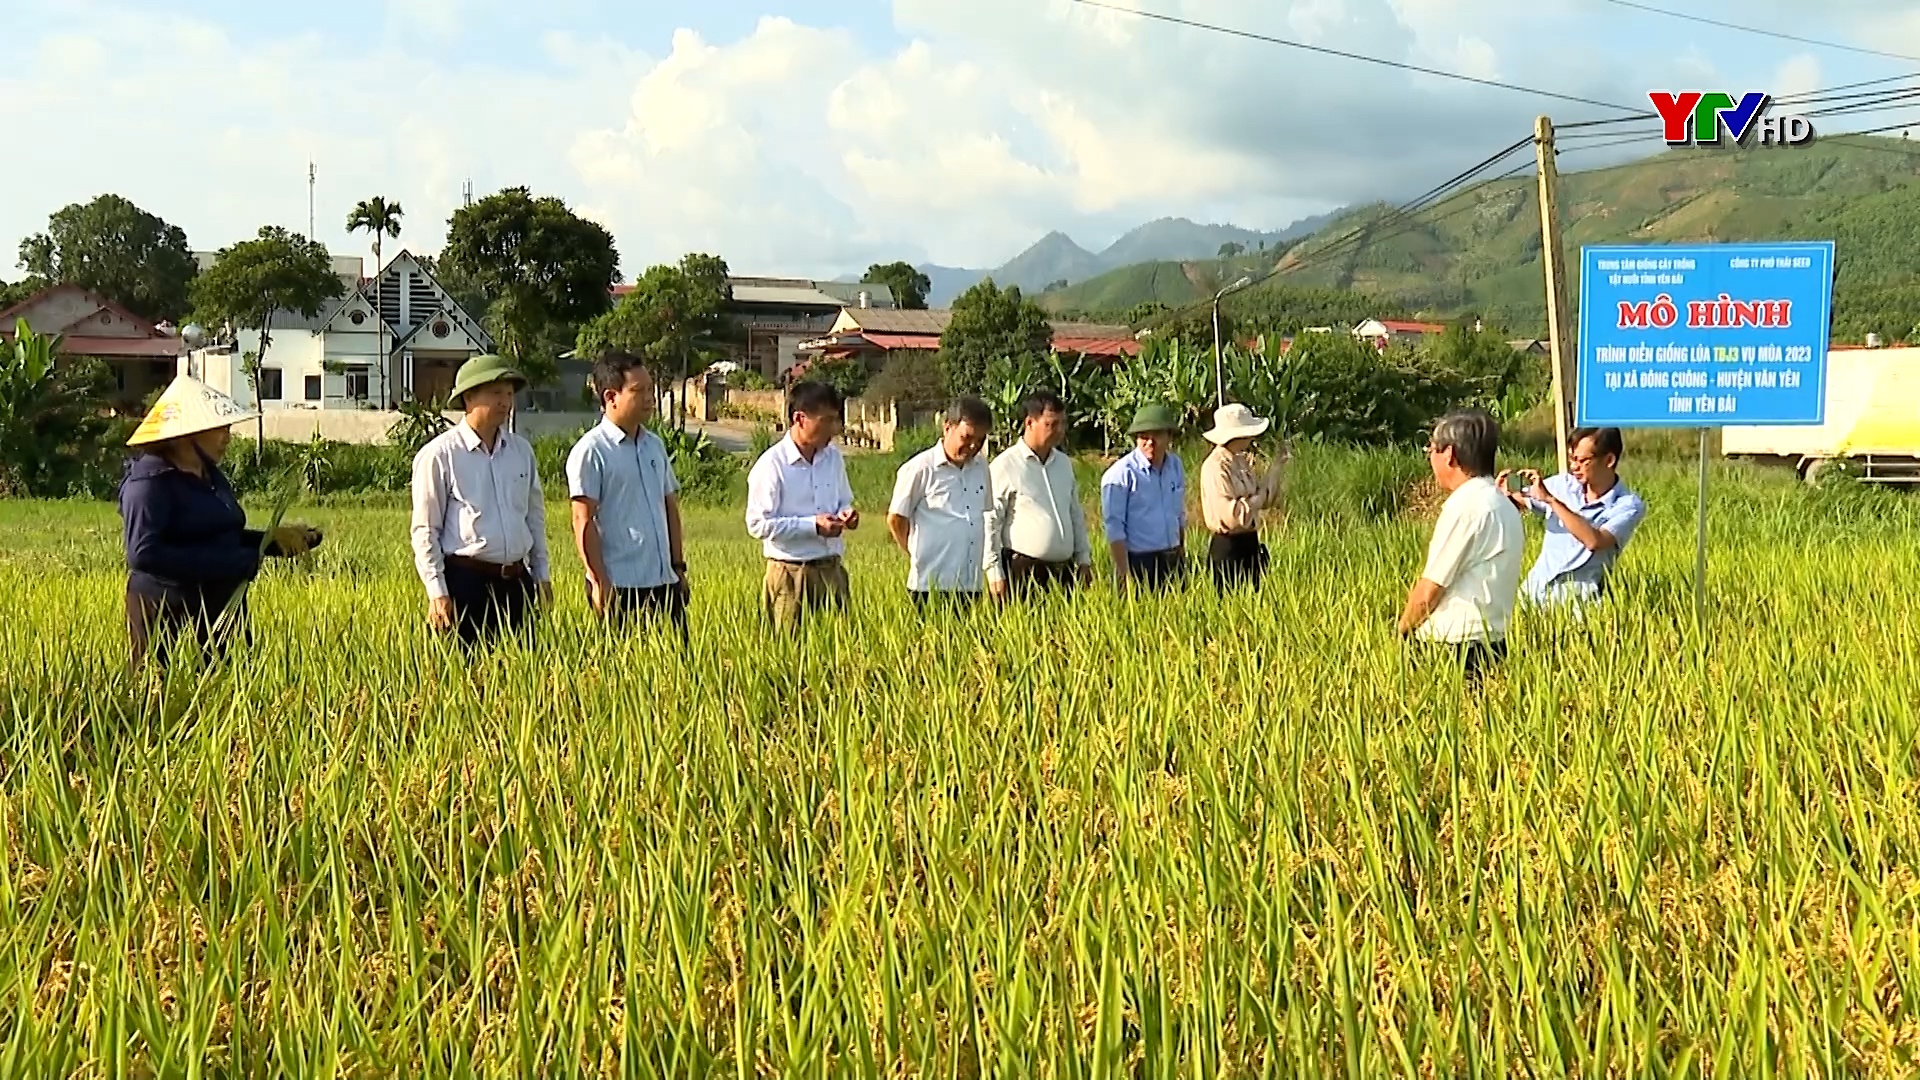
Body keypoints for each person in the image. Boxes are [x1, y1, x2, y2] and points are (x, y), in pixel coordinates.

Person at [119, 374, 321, 672]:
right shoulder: (149, 484)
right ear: (188, 434)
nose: (227, 437)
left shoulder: (211, 476)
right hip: (167, 611)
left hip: (221, 608)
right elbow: (145, 554)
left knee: (230, 689)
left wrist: (271, 542)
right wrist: (235, 562)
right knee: (164, 698)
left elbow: (219, 534)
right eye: (219, 429)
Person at [410, 353, 552, 648]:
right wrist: (437, 592)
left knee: (522, 677)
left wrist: (541, 574)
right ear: (469, 397)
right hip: (467, 584)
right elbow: (425, 530)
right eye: (496, 393)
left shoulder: (521, 452)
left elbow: (534, 518)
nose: (505, 402)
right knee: (468, 679)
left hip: (516, 583)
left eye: (510, 394)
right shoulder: (440, 455)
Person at [566, 351, 689, 642]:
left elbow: (669, 507)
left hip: (664, 582)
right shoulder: (591, 451)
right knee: (624, 674)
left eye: (650, 389)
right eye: (638, 391)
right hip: (620, 586)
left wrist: (678, 567)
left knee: (677, 671)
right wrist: (598, 581)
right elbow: (583, 520)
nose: (649, 398)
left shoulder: (654, 445)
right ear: (611, 397)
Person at [1397, 408, 1523, 682]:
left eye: (1431, 449)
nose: (1430, 458)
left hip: (1454, 647)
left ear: (1449, 454)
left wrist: (1402, 631)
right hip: (1494, 643)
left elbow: (1430, 589)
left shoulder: (1466, 506)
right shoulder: (1503, 504)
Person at [745, 380, 858, 630]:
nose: (834, 428)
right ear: (800, 418)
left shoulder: (834, 458)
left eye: (836, 420)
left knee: (841, 654)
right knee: (789, 655)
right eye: (826, 420)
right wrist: (812, 526)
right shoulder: (772, 464)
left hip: (831, 570)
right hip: (790, 575)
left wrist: (846, 515)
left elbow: (843, 500)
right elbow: (757, 524)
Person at [1497, 426, 1647, 608]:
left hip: (1577, 605)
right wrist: (1503, 492)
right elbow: (1521, 501)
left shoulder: (1627, 505)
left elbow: (1595, 541)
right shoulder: (1563, 484)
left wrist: (1551, 501)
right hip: (1532, 595)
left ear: (1609, 460)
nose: (1574, 467)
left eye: (1583, 460)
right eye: (1572, 459)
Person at [984, 390, 1093, 600]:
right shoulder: (1005, 465)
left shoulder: (1063, 464)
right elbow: (990, 521)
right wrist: (993, 570)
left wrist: (1083, 559)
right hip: (1022, 571)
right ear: (1029, 423)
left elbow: (1075, 514)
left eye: (1062, 423)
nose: (1059, 430)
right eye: (1051, 424)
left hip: (1064, 572)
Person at [887, 396, 993, 609]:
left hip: (971, 584)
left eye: (980, 441)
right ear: (947, 428)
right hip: (930, 586)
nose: (973, 446)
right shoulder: (920, 468)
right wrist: (914, 552)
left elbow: (986, 514)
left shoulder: (981, 467)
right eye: (967, 437)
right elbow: (896, 519)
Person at [1100, 403, 1189, 593]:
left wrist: (1182, 551)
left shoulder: (1175, 466)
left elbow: (1179, 513)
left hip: (1172, 558)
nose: (1150, 442)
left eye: (1156, 435)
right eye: (1143, 437)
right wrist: (1123, 573)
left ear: (1169, 437)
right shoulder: (1121, 474)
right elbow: (1114, 527)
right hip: (1140, 561)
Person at [1199, 402, 1287, 591]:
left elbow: (1263, 498)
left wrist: (1277, 467)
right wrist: (1257, 501)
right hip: (1228, 548)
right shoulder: (1215, 466)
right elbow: (1230, 515)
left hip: (1249, 543)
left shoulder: (1239, 461)